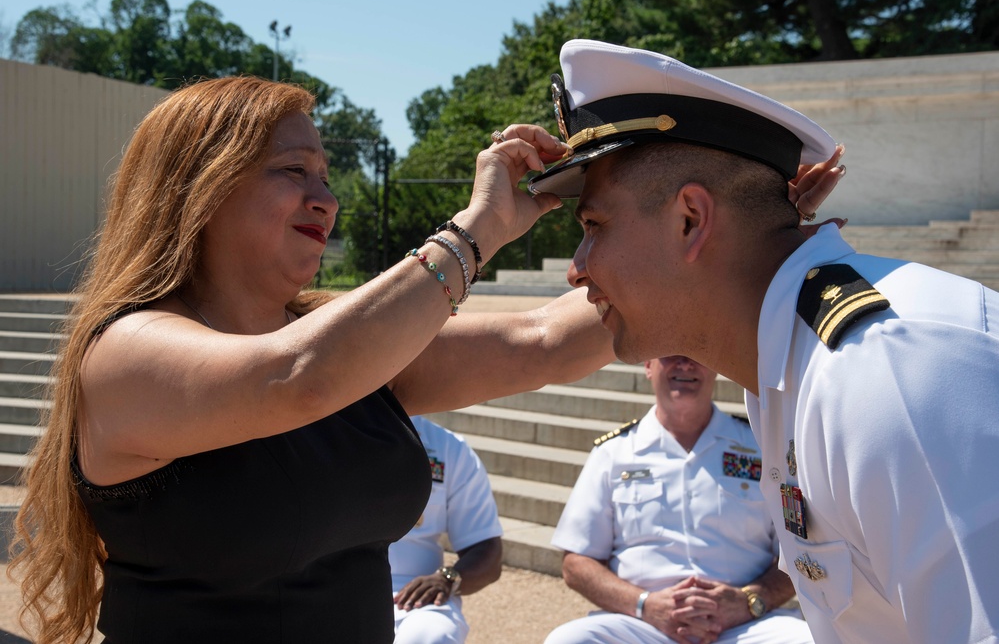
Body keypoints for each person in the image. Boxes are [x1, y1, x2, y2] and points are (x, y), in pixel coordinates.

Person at [6, 75, 841, 644]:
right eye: (292, 171)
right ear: (201, 189)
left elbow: (548, 337)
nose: (325, 199)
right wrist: (478, 228)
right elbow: (295, 377)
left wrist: (738, 232)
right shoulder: (126, 351)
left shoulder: (353, 348)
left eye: (326, 174)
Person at [529, 39, 999, 644]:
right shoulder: (795, 363)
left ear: (691, 221)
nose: (577, 267)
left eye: (593, 226)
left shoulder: (885, 370)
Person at [546, 356, 813, 644]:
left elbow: (801, 548)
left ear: (716, 367)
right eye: (671, 354)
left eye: (697, 356)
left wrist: (750, 599)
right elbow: (577, 561)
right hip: (643, 625)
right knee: (568, 640)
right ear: (648, 365)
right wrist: (645, 604)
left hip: (743, 625)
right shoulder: (614, 453)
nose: (685, 365)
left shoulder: (762, 448)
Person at [390, 415, 503, 644]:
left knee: (434, 635)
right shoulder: (319, 431)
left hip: (412, 596)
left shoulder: (448, 448)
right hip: (329, 586)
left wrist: (447, 578)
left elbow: (485, 547)